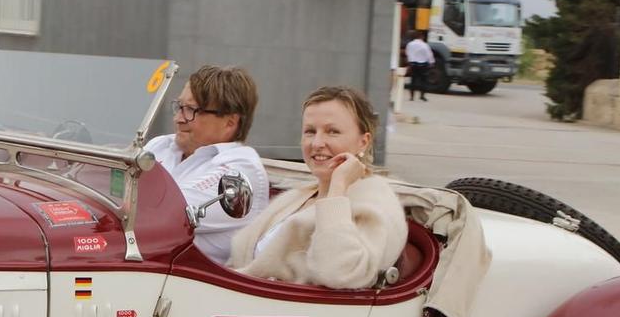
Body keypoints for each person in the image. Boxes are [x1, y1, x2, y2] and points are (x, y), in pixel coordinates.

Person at [228, 85, 406, 289]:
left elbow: (339, 273)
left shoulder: (377, 201)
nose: (317, 143)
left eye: (333, 132)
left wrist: (338, 188)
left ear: (363, 142)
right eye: (310, 131)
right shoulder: (298, 195)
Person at [142, 64, 268, 265]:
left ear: (230, 122)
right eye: (179, 107)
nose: (178, 118)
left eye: (191, 110)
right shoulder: (161, 145)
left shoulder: (242, 169)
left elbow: (167, 213)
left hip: (192, 284)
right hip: (144, 267)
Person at [404, 31, 437, 102]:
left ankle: (412, 97)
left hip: (413, 64)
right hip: (422, 65)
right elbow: (429, 55)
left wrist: (408, 63)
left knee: (413, 81)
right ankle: (422, 96)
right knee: (423, 81)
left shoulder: (410, 44)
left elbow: (407, 53)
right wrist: (432, 63)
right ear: (421, 37)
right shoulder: (424, 45)